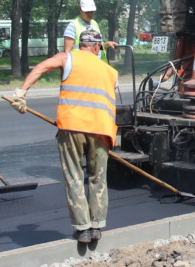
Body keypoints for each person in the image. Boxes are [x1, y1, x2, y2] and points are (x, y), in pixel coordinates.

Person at [10, 29, 118, 244]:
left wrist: (22, 92)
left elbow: (41, 67)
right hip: (102, 130)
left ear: (81, 45)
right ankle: (97, 226)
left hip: (72, 127)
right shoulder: (110, 71)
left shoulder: (68, 58)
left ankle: (82, 228)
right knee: (98, 178)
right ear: (97, 47)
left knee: (75, 176)